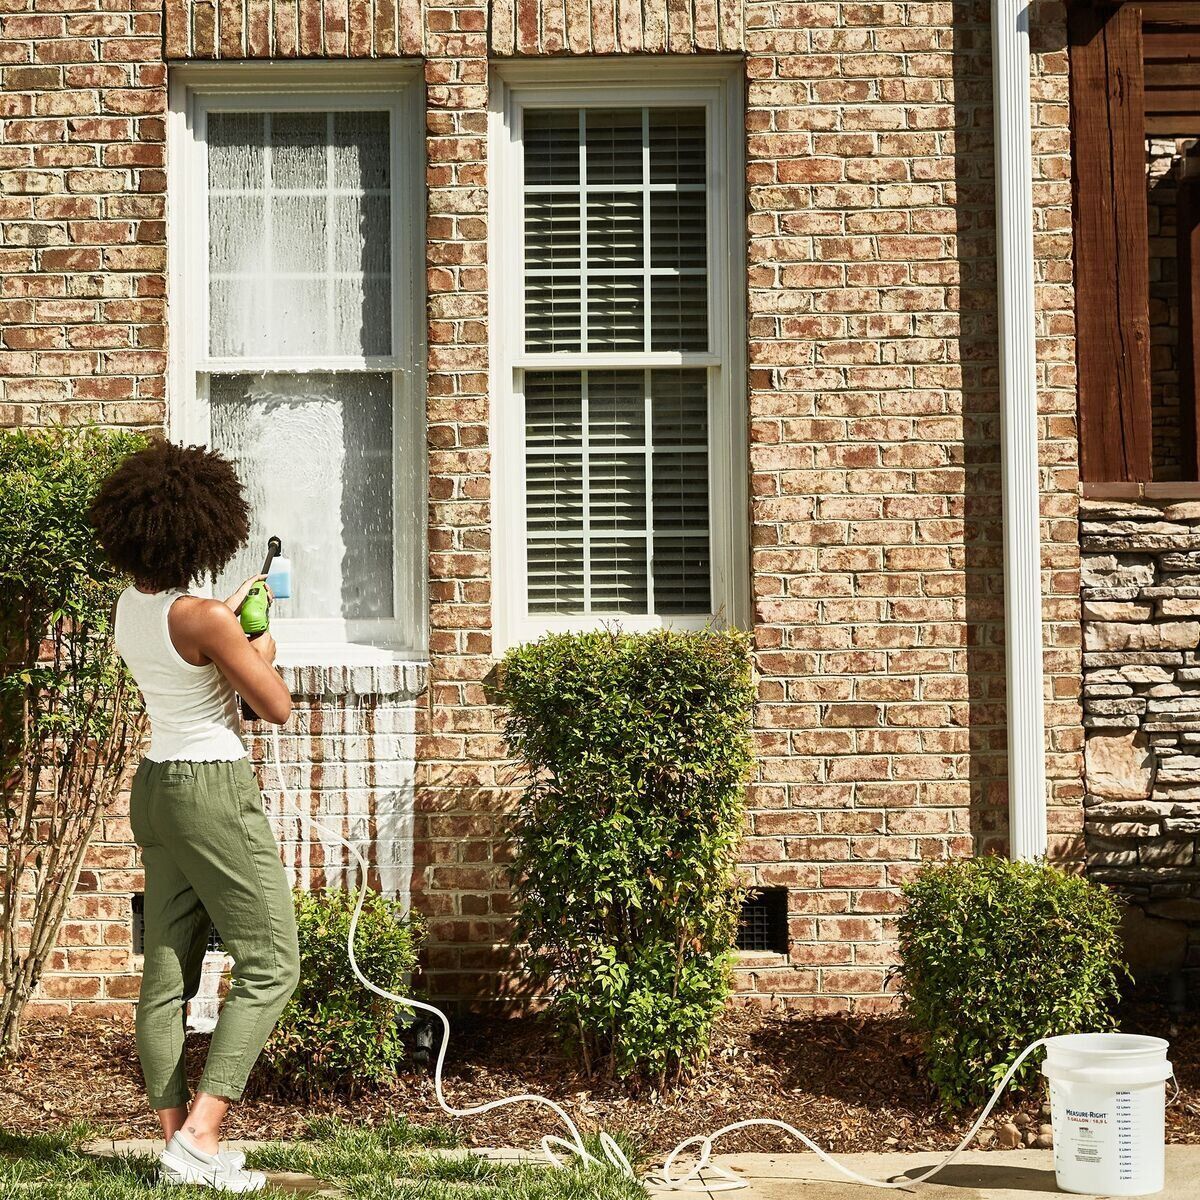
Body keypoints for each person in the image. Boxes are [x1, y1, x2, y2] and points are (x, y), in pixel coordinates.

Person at [89, 440, 299, 1194]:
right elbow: (269, 703)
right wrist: (255, 637)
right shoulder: (205, 616)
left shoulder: (131, 606)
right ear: (202, 527)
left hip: (157, 785)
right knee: (273, 962)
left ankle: (177, 1144)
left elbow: (204, 670)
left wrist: (239, 636)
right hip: (212, 790)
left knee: (167, 973)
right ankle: (205, 1137)